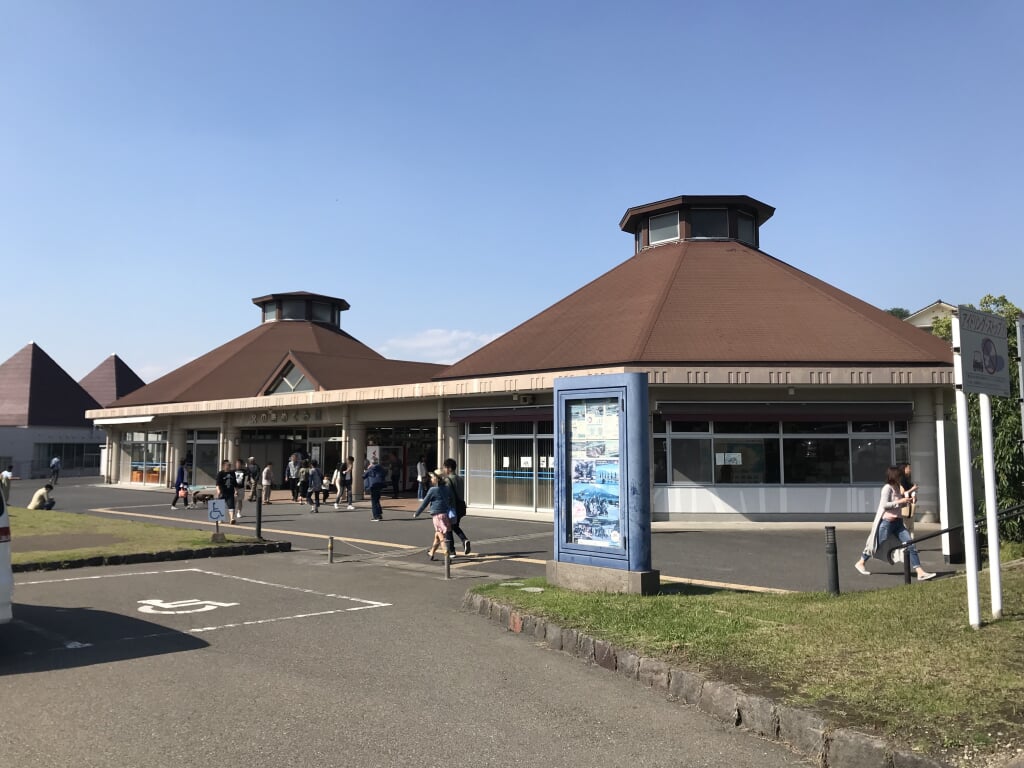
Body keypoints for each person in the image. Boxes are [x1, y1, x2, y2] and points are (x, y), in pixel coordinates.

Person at [855, 465, 935, 581]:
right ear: (893, 476)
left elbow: (898, 504)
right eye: (898, 476)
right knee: (876, 544)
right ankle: (861, 562)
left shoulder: (897, 487)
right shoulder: (887, 488)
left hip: (898, 523)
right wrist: (901, 501)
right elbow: (885, 505)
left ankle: (920, 572)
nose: (900, 478)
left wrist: (906, 501)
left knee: (911, 544)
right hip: (887, 523)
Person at [413, 469, 454, 560]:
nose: (431, 479)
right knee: (437, 535)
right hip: (445, 514)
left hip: (437, 516)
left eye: (432, 477)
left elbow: (425, 503)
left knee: (440, 535)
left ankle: (446, 552)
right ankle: (431, 552)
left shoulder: (433, 490)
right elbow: (450, 499)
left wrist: (417, 513)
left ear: (436, 479)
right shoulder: (446, 488)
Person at [442, 458, 470, 555]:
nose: (444, 470)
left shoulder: (447, 480)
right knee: (454, 526)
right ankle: (464, 540)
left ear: (449, 468)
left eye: (444, 468)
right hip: (460, 507)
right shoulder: (460, 479)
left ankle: (452, 551)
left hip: (451, 508)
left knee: (448, 528)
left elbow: (447, 496)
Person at [215, 459, 240, 524]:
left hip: (230, 492)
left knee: (231, 505)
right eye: (227, 465)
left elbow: (235, 483)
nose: (229, 466)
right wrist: (218, 490)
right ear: (223, 466)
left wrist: (236, 491)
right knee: (220, 505)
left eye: (229, 465)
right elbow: (217, 483)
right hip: (223, 491)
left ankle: (232, 519)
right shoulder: (220, 474)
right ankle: (220, 519)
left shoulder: (232, 473)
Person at [898, 462, 918, 537]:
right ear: (904, 469)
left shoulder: (906, 479)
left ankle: (911, 546)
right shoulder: (901, 480)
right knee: (906, 527)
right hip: (905, 506)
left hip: (910, 506)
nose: (910, 470)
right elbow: (902, 493)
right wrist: (913, 489)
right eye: (909, 468)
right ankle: (907, 546)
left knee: (910, 527)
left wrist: (913, 493)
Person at [363, 457, 386, 521]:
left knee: (374, 501)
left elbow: (364, 475)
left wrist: (368, 468)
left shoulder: (371, 469)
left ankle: (376, 516)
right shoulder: (381, 468)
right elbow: (385, 473)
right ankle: (379, 514)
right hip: (380, 485)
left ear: (371, 462)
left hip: (373, 485)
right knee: (377, 499)